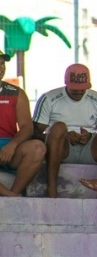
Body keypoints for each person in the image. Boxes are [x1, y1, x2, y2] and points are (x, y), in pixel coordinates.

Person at [32, 64, 97, 198]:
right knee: (58, 127)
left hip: (90, 150)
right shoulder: (49, 98)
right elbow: (33, 132)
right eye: (75, 89)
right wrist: (64, 135)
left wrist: (90, 135)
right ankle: (52, 189)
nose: (79, 92)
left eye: (83, 89)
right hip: (62, 149)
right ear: (66, 83)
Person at [0, 50, 46, 197]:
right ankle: (11, 196)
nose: (1, 67)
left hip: (9, 148)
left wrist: (12, 145)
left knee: (38, 148)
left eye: (2, 63)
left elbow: (27, 127)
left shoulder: (15, 93)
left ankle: (14, 193)